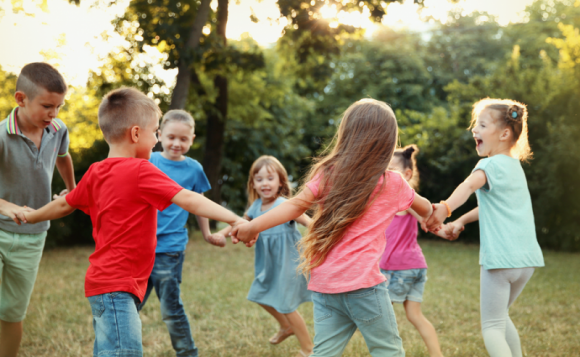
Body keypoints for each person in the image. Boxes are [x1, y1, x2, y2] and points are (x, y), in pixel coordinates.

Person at [14, 87, 248, 357]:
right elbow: (188, 198)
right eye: (154, 133)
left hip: (103, 286)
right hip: (118, 288)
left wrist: (30, 215)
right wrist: (235, 218)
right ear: (136, 133)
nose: (155, 142)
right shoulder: (142, 170)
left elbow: (65, 203)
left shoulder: (95, 171)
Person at [232, 98, 434, 357]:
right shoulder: (392, 182)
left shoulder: (328, 172)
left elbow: (295, 205)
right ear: (387, 142)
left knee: (324, 353)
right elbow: (425, 208)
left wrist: (253, 227)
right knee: (388, 351)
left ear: (347, 135)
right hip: (365, 288)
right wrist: (437, 214)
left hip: (326, 285)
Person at [425, 98, 544, 357]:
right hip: (526, 261)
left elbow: (467, 187)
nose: (474, 130)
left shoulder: (487, 165)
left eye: (481, 125)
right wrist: (459, 222)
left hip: (501, 260)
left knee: (491, 326)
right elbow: (490, 207)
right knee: (500, 317)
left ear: (503, 134)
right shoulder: (514, 167)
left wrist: (444, 210)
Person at [0, 62, 75, 357]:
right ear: (21, 99)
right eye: (47, 106)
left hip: (33, 236)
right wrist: (6, 206)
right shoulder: (2, 136)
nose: (53, 114)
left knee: (12, 312)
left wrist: (73, 187)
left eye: (59, 106)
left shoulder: (57, 129)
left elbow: (63, 157)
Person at [138, 109, 225, 357]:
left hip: (171, 249)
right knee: (129, 305)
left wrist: (207, 233)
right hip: (141, 247)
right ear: (159, 135)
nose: (177, 143)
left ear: (192, 139)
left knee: (170, 309)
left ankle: (188, 353)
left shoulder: (194, 169)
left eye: (183, 139)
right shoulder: (149, 161)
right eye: (171, 137)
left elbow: (200, 204)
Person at [216, 155, 313, 357]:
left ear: (281, 182)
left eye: (270, 178)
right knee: (258, 294)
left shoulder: (284, 204)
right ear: (253, 183)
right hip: (267, 264)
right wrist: (220, 234)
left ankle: (308, 349)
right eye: (259, 179)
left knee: (286, 305)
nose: (264, 183)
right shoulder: (256, 207)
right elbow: (238, 222)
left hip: (288, 262)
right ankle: (286, 327)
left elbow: (307, 221)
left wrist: (324, 233)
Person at [380, 145, 444, 357]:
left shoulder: (403, 198)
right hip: (416, 266)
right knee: (415, 316)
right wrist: (442, 230)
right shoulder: (399, 200)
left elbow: (424, 218)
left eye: (391, 169)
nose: (386, 174)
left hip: (398, 269)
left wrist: (439, 226)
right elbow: (426, 220)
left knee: (381, 316)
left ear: (407, 175)